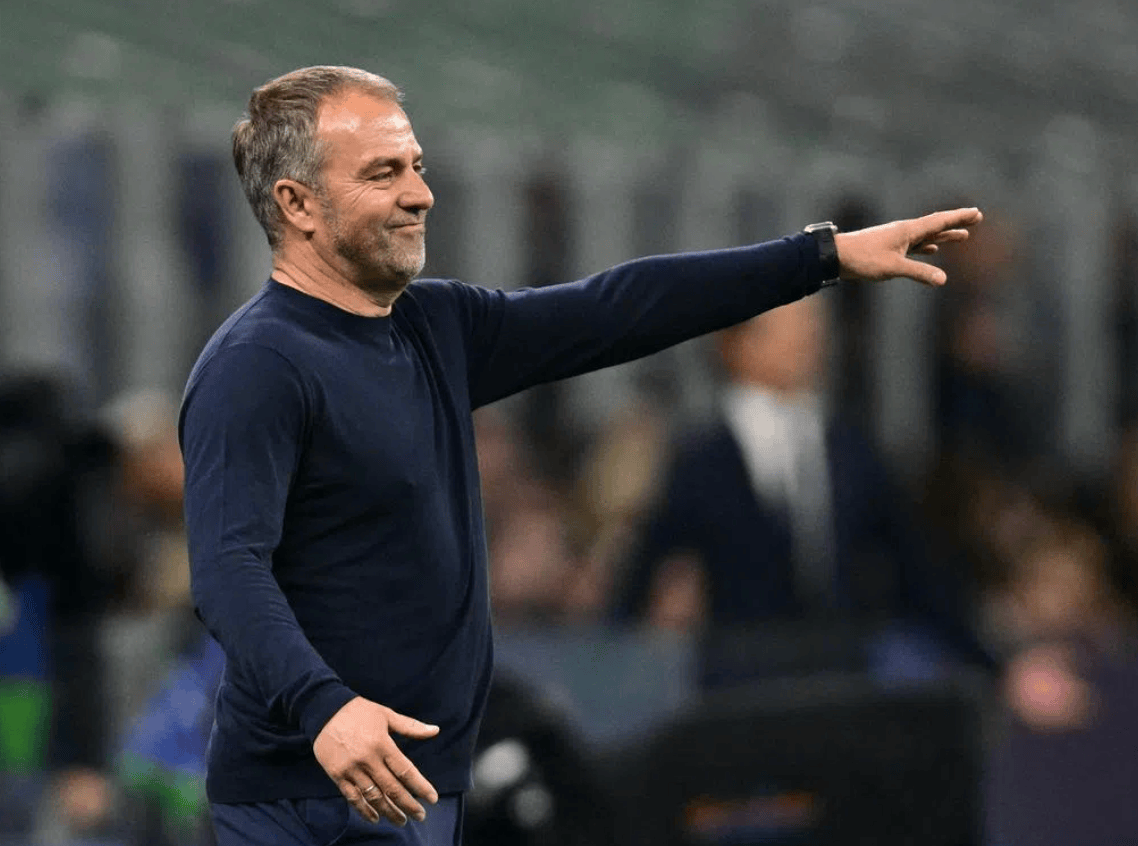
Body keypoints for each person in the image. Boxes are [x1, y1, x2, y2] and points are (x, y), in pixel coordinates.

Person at [178, 64, 982, 846]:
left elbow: (618, 308)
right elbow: (227, 568)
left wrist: (820, 258)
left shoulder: (435, 328)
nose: (420, 195)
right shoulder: (257, 364)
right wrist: (324, 707)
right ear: (297, 203)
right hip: (312, 794)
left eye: (416, 167)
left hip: (417, 782)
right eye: (383, 173)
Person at [610, 295, 990, 681]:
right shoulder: (699, 461)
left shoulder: (849, 449)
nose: (809, 336)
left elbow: (916, 565)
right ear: (735, 345)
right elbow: (642, 574)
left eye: (812, 323)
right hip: (739, 681)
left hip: (838, 673)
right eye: (787, 325)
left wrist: (990, 663)